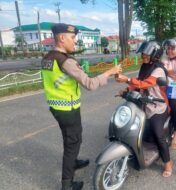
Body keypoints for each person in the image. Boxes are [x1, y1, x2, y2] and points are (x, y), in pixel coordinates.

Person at [41, 23, 122, 190]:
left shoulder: (47, 57)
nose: (75, 42)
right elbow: (90, 84)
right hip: (68, 108)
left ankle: (74, 162)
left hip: (57, 107)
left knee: (71, 138)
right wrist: (110, 72)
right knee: (73, 143)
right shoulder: (65, 61)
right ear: (62, 38)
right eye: (72, 38)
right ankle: (67, 184)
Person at [115, 40, 173, 177]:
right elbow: (138, 82)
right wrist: (125, 90)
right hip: (143, 104)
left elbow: (146, 84)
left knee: (158, 134)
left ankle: (168, 163)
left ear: (155, 55)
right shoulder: (144, 66)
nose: (144, 56)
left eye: (147, 54)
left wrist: (127, 80)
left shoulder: (158, 69)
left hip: (157, 106)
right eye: (143, 54)